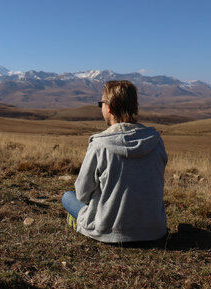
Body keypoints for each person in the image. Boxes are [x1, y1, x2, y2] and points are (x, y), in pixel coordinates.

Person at [62, 80, 168, 243]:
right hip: (155, 231)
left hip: (108, 231)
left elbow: (82, 194)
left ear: (109, 107)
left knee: (68, 197)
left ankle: (79, 223)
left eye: (101, 103)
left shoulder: (99, 144)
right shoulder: (156, 141)